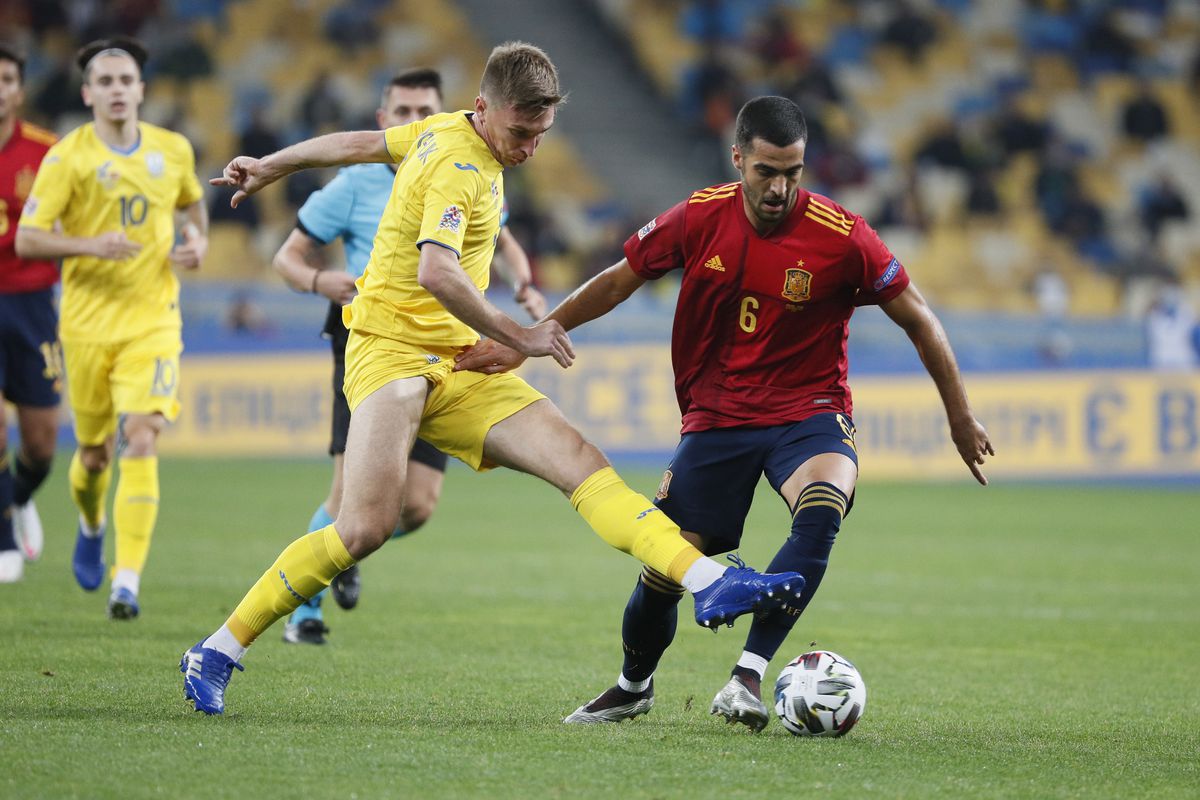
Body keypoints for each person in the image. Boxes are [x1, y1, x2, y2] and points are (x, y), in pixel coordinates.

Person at [181, 42, 804, 716]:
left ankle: (709, 580)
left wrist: (272, 165)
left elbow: (365, 142)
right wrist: (522, 336)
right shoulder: (459, 166)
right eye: (520, 132)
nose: (531, 148)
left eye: (542, 134)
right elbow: (436, 273)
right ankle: (218, 647)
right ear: (485, 109)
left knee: (580, 460)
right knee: (364, 527)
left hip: (459, 360)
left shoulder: (444, 127)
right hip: (390, 350)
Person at [455, 96, 994, 731]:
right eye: (767, 170)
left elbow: (921, 320)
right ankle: (633, 686)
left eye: (793, 172)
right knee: (665, 568)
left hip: (809, 412)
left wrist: (959, 416)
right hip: (715, 418)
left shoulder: (844, 237)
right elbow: (617, 280)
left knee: (822, 511)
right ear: (738, 158)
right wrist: (530, 336)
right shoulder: (698, 217)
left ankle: (747, 676)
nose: (780, 187)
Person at [271, 67, 547, 645]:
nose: (413, 121)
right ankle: (305, 609)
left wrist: (524, 283)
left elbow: (500, 238)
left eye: (423, 110)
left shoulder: (464, 167)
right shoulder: (353, 185)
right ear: (384, 120)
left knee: (416, 506)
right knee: (351, 493)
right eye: (402, 112)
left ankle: (345, 551)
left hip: (443, 348)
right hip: (368, 336)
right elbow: (288, 258)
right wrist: (324, 282)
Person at [15, 37, 208, 618]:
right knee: (95, 455)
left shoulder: (173, 150)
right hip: (85, 326)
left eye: (127, 80)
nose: (118, 90)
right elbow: (27, 238)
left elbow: (192, 208)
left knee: (143, 434)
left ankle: (127, 580)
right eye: (107, 82)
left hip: (152, 320)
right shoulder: (67, 157)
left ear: (141, 90)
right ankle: (92, 521)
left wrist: (195, 241)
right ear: (88, 93)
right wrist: (88, 245)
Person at [0, 43, 60, 583]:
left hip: (33, 303)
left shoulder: (47, 152)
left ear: (18, 89)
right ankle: (1, 544)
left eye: (5, 79)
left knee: (41, 441)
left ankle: (15, 498)